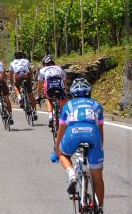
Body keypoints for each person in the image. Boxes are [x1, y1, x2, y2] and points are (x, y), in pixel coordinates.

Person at [56, 78, 105, 208]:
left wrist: (57, 151)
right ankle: (99, 208)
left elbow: (60, 132)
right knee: (98, 177)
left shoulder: (68, 105)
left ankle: (72, 174)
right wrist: (99, 147)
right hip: (93, 135)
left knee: (63, 154)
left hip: (73, 134)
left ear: (72, 94)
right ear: (90, 93)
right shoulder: (97, 105)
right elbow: (101, 133)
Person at [39, 55, 68, 127]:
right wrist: (66, 90)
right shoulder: (60, 68)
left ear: (44, 63)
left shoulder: (42, 70)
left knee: (49, 99)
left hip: (49, 86)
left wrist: (39, 95)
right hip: (59, 85)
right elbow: (64, 81)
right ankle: (62, 117)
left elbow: (40, 84)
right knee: (62, 100)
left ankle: (50, 117)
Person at [8, 51, 37, 118]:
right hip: (26, 76)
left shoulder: (12, 62)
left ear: (15, 57)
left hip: (18, 76)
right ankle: (34, 112)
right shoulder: (26, 60)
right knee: (30, 93)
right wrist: (31, 79)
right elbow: (30, 71)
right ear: (22, 56)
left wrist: (12, 82)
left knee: (16, 86)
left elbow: (11, 74)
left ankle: (19, 97)